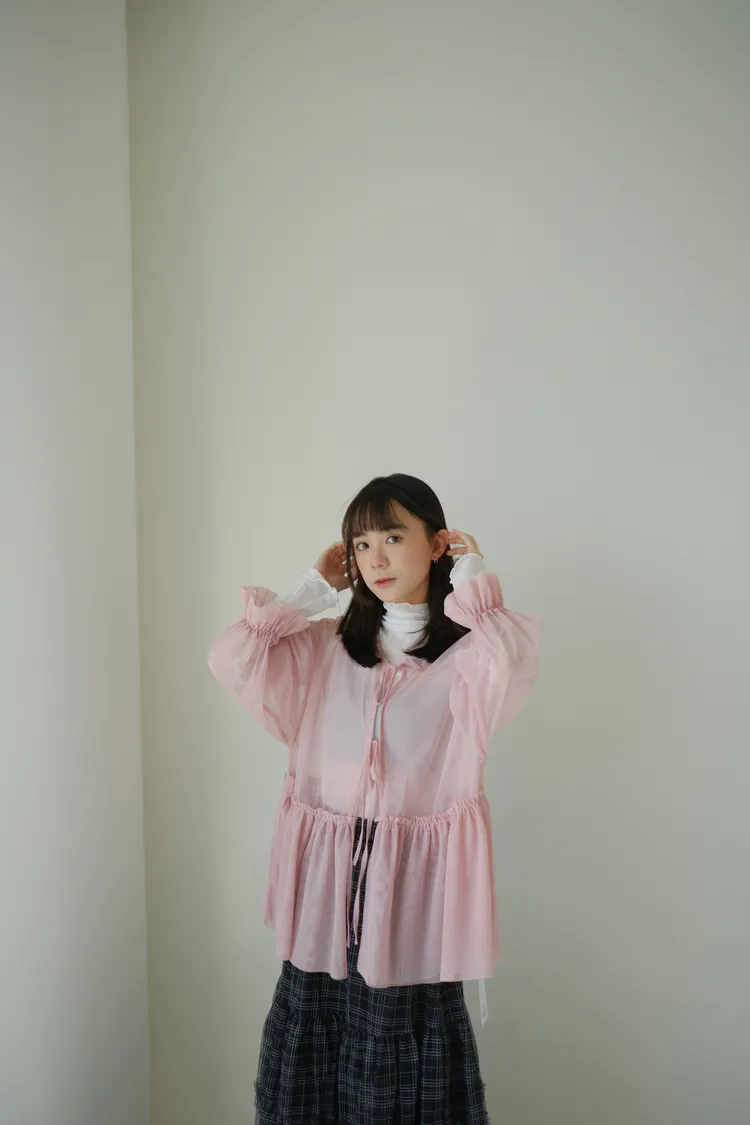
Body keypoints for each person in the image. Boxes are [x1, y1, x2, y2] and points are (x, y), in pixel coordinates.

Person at [207, 473, 542, 1125]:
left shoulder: (468, 660)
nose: (376, 558)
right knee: (307, 1076)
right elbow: (233, 659)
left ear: (436, 544)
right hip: (326, 897)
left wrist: (473, 582)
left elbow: (511, 664)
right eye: (361, 544)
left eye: (393, 536)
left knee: (397, 1084)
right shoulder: (325, 648)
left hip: (409, 902)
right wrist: (309, 590)